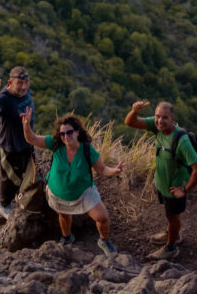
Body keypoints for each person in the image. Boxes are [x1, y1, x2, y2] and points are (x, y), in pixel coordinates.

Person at [20, 109, 123, 255]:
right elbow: (32, 139)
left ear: (77, 132)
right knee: (64, 215)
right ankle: (67, 237)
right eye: (62, 134)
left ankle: (104, 240)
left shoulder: (87, 150)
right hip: (58, 192)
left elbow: (102, 169)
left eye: (69, 132)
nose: (65, 136)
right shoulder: (55, 144)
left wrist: (115, 170)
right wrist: (26, 125)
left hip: (83, 192)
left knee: (102, 217)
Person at [124, 99, 197, 259]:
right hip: (162, 183)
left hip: (174, 188)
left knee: (173, 217)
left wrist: (184, 190)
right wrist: (134, 111)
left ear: (172, 119)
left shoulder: (182, 142)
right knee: (169, 215)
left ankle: (171, 247)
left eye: (165, 117)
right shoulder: (157, 127)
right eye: (157, 116)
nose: (160, 121)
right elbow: (130, 122)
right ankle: (173, 234)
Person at [0, 66, 35, 219]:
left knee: (26, 176)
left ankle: (21, 198)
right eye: (19, 83)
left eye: (26, 82)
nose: (23, 86)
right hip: (10, 147)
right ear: (10, 82)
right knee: (10, 179)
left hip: (26, 143)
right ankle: (3, 206)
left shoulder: (24, 91)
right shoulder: (4, 98)